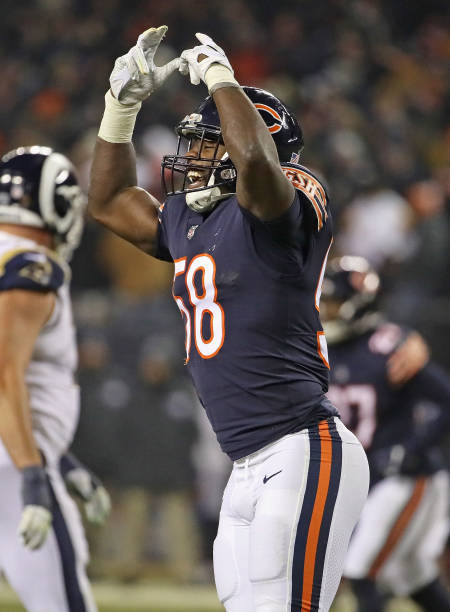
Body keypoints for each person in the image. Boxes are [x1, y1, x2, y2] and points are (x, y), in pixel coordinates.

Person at [88, 26, 369, 611]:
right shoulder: (192, 220)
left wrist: (223, 80)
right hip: (243, 462)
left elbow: (261, 176)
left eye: (209, 144)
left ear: (252, 144)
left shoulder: (288, 193)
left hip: (301, 447)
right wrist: (119, 111)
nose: (192, 158)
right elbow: (110, 201)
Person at [0, 146, 110, 612]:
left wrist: (63, 463)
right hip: (12, 467)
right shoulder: (30, 267)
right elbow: (5, 379)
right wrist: (33, 474)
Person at [322, 255, 450, 612]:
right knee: (410, 577)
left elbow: (445, 399)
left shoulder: (389, 348)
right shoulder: (319, 349)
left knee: (360, 569)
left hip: (401, 475)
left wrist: (408, 448)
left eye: (333, 303)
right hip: (361, 478)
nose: (326, 311)